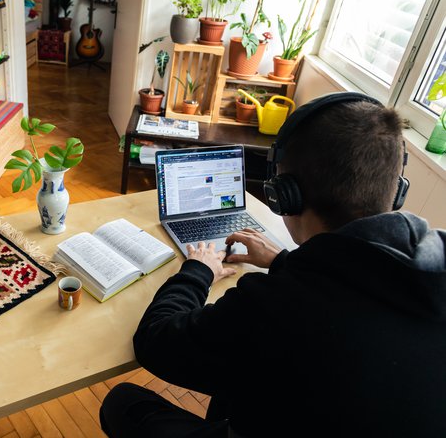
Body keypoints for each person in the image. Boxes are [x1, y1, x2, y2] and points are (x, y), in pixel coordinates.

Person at [99, 92, 446, 438]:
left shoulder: (276, 307)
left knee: (122, 401)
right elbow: (356, 287)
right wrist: (284, 261)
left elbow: (155, 343)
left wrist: (198, 271)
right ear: (396, 190)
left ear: (284, 194)